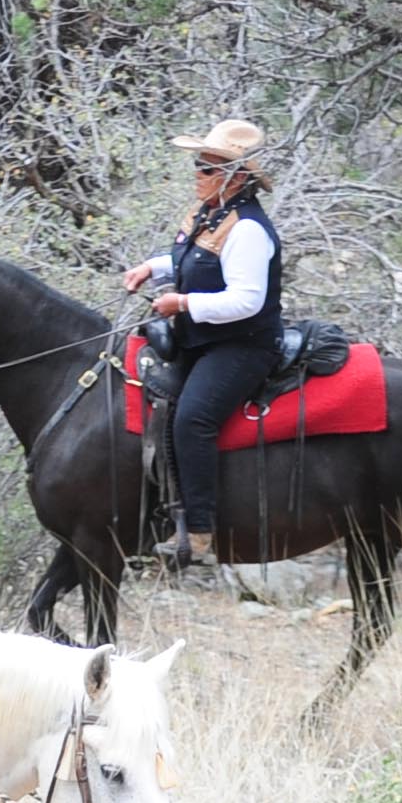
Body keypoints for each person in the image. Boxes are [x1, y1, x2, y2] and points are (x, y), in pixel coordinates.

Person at [121, 118, 283, 569]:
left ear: (234, 177)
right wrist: (151, 270)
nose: (196, 173)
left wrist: (183, 303)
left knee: (193, 419)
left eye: (205, 167)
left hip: (243, 345)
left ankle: (199, 532)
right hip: (204, 340)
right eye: (198, 164)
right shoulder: (209, 214)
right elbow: (189, 258)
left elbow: (246, 300)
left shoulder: (248, 228)